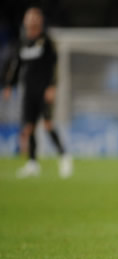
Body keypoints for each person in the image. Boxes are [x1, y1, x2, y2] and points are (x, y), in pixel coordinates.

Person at [1, 7, 72, 178]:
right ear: (25, 21)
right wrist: (9, 85)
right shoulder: (22, 43)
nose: (31, 21)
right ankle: (32, 164)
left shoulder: (46, 41)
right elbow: (16, 67)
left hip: (44, 90)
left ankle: (64, 157)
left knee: (47, 125)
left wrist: (52, 86)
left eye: (34, 17)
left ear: (39, 21)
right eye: (29, 17)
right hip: (28, 90)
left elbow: (54, 67)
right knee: (28, 127)